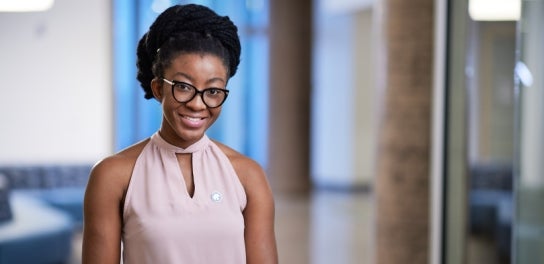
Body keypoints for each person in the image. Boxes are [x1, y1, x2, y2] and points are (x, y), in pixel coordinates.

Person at [82, 4, 278, 264]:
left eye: (213, 91)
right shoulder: (112, 176)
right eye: (184, 87)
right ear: (158, 88)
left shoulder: (248, 176)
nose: (198, 104)